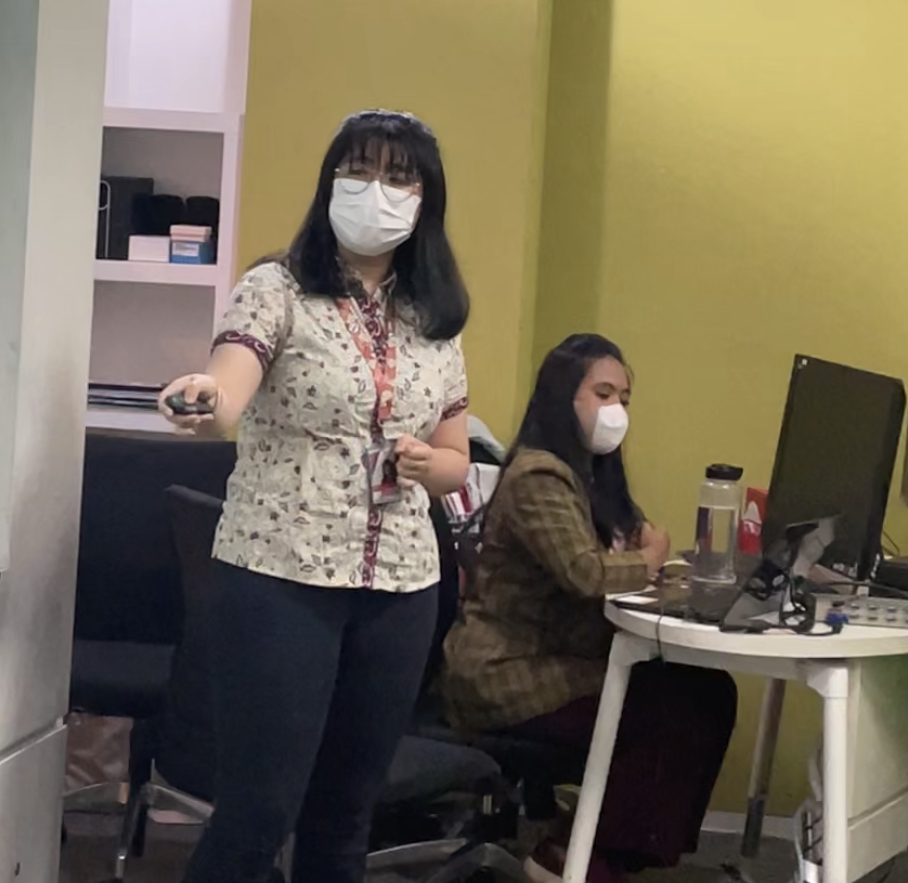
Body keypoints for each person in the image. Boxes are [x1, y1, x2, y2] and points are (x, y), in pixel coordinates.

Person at [160, 110, 472, 883]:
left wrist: (427, 462)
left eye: (398, 176)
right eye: (357, 170)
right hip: (280, 576)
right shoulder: (277, 289)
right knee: (258, 814)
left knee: (346, 818)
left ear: (426, 199)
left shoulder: (433, 315)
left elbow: (456, 460)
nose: (376, 189)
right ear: (330, 182)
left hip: (400, 585)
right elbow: (230, 385)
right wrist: (205, 398)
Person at [441, 334, 737, 883]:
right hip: (507, 672)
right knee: (668, 711)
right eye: (603, 394)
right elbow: (587, 573)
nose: (616, 410)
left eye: (623, 398)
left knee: (707, 691)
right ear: (564, 397)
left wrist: (639, 552)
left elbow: (608, 554)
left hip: (560, 659)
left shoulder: (588, 474)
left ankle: (607, 848)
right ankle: (585, 859)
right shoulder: (538, 475)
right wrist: (648, 559)